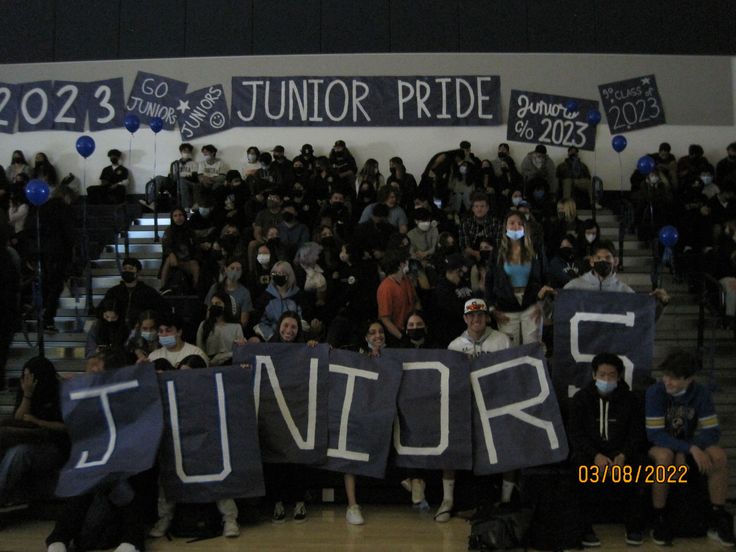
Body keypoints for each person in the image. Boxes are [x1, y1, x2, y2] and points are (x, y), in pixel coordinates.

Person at [645, 350, 735, 547]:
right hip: (659, 445)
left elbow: (712, 431)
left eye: (674, 378)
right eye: (666, 375)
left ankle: (716, 515)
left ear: (689, 379)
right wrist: (689, 449)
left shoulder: (700, 393)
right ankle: (658, 516)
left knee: (718, 455)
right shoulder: (655, 392)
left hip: (689, 443)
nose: (667, 381)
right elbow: (655, 434)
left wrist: (689, 449)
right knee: (665, 457)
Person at [568, 353, 647, 547]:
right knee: (579, 469)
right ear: (594, 375)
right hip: (592, 453)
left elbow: (636, 433)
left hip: (621, 452)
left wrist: (623, 455)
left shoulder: (631, 400)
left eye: (611, 375)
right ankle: (585, 528)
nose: (606, 379)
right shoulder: (581, 399)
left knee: (639, 467)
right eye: (602, 374)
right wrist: (596, 456)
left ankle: (634, 526)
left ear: (619, 377)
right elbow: (576, 434)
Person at [443, 299, 511, 523]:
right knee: (451, 449)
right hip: (465, 406)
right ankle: (448, 499)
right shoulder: (454, 345)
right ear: (465, 318)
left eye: (480, 314)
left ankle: (506, 500)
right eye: (471, 315)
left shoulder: (502, 340)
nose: (476, 319)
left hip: (496, 404)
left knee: (505, 450)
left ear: (487, 317)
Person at [266, 310, 317, 524]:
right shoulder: (267, 348)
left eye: (293, 327)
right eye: (285, 326)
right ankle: (277, 501)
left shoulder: (305, 349)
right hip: (274, 412)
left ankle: (298, 501)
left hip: (298, 410)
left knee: (298, 458)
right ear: (279, 326)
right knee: (276, 459)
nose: (289, 331)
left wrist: (318, 350)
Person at [0, 357, 68, 507]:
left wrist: (38, 422)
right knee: (12, 447)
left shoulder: (60, 392)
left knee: (20, 453)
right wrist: (27, 395)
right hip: (30, 436)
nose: (27, 380)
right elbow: (19, 419)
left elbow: (66, 427)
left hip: (54, 444)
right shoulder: (27, 389)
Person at [486, 211, 553, 346]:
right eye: (512, 223)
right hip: (506, 305)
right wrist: (492, 308)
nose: (516, 226)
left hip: (532, 302)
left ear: (525, 227)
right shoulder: (497, 252)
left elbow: (546, 276)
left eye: (520, 223)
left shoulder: (536, 250)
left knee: (533, 347)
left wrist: (542, 304)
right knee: (510, 350)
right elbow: (489, 281)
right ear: (505, 227)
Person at [563, 240, 671, 318]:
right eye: (598, 258)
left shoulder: (625, 291)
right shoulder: (574, 286)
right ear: (591, 261)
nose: (603, 261)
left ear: (615, 261)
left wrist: (659, 304)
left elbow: (644, 321)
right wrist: (547, 300)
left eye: (607, 257)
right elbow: (559, 314)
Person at [100, 257, 169, 329]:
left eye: (131, 268)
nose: (127, 271)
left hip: (140, 329)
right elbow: (101, 308)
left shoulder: (148, 292)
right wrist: (105, 313)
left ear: (138, 272)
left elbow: (163, 309)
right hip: (116, 328)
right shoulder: (113, 291)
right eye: (125, 268)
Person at [376, 252, 421, 347]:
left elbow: (415, 300)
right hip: (398, 334)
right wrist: (401, 337)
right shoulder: (386, 288)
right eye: (406, 262)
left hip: (412, 328)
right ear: (401, 265)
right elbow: (385, 319)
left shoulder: (406, 280)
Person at [196, 292, 245, 366]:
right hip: (210, 365)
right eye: (213, 304)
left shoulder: (236, 327)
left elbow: (239, 351)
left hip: (230, 364)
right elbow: (199, 349)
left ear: (226, 305)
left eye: (218, 303)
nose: (214, 306)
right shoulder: (204, 325)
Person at [205, 258, 253, 328]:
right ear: (225, 269)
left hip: (233, 330)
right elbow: (208, 314)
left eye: (238, 269)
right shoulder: (215, 288)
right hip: (214, 328)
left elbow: (244, 321)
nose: (235, 271)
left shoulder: (245, 293)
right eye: (232, 268)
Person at [160, 208, 199, 291]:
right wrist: (171, 254)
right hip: (174, 261)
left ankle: (196, 289)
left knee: (195, 264)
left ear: (184, 216)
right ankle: (163, 288)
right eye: (175, 216)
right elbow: (166, 246)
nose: (178, 218)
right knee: (168, 259)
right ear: (172, 218)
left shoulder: (190, 231)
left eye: (180, 215)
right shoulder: (169, 231)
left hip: (187, 262)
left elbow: (195, 248)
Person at [458, 192, 500, 262]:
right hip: (471, 258)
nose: (479, 209)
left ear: (487, 208)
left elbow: (499, 246)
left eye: (482, 206)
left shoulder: (496, 223)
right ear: (473, 209)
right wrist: (477, 254)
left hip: (492, 257)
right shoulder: (465, 223)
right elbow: (465, 247)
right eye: (476, 206)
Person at [168, 143, 198, 210]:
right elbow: (172, 176)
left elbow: (194, 177)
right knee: (159, 178)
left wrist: (182, 176)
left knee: (182, 180)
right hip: (176, 182)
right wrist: (182, 176)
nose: (186, 153)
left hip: (190, 183)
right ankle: (151, 202)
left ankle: (185, 206)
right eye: (184, 151)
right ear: (181, 152)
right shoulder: (175, 163)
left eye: (188, 151)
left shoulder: (194, 163)